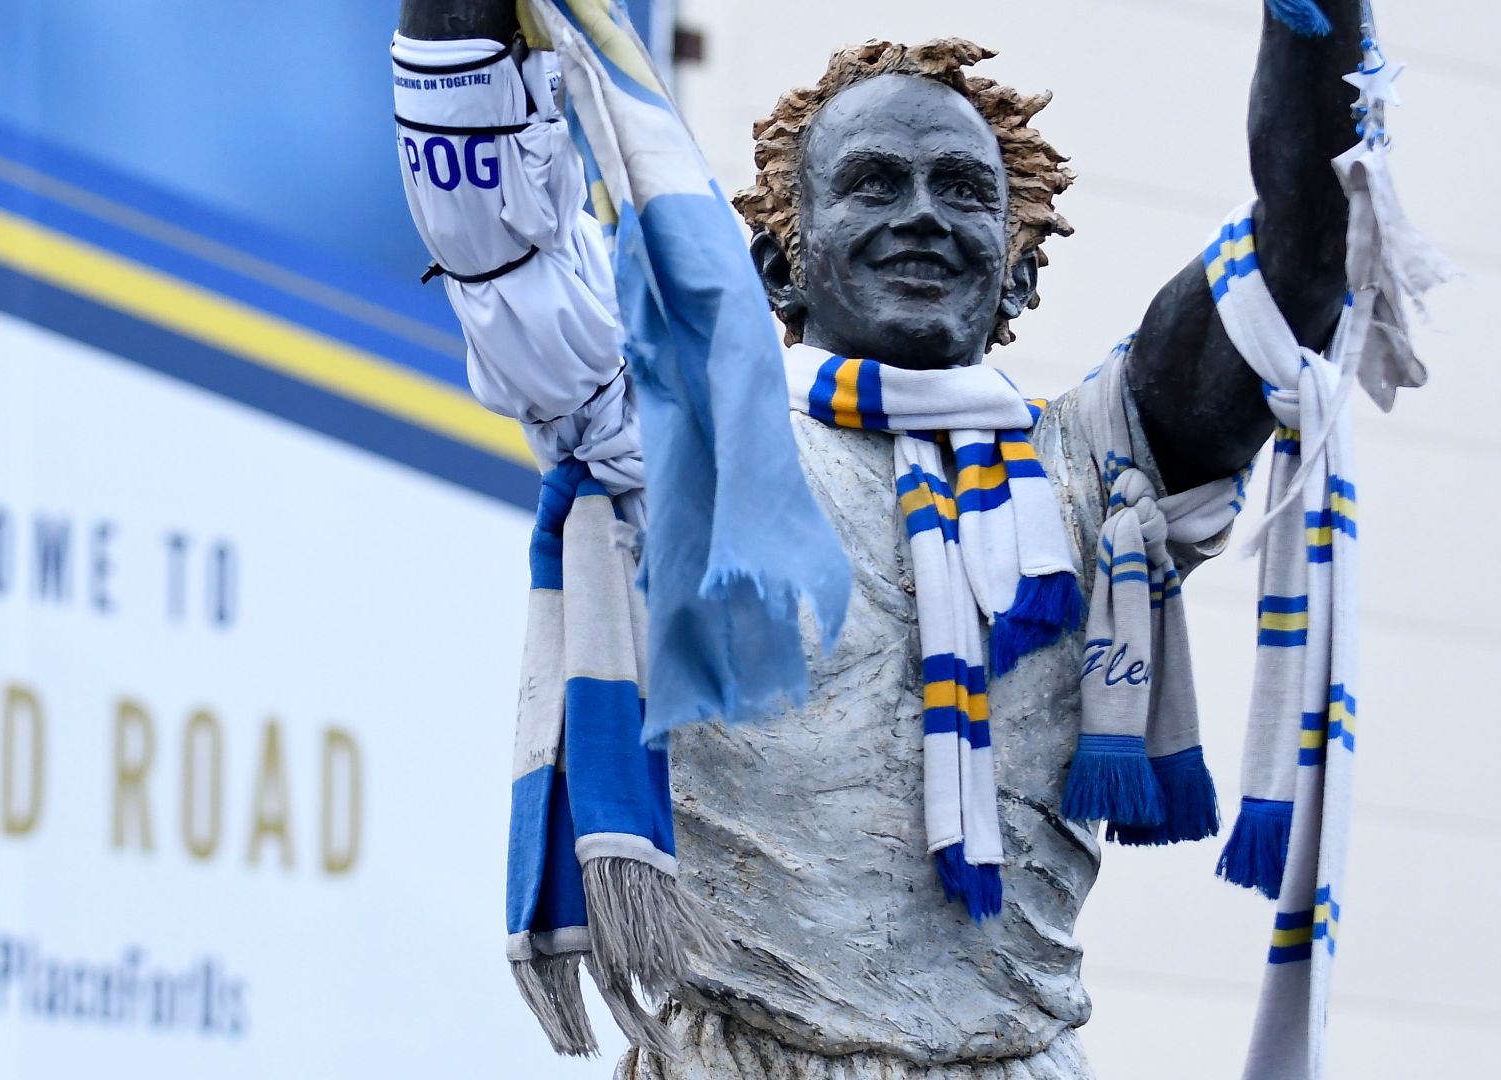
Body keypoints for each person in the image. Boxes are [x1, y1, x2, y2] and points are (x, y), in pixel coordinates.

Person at [392, 2, 1366, 1076]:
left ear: (1019, 271)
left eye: (964, 190)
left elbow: (1306, 251)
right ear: (779, 265)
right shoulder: (687, 442)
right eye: (872, 184)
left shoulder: (1096, 465)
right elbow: (500, 247)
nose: (923, 216)